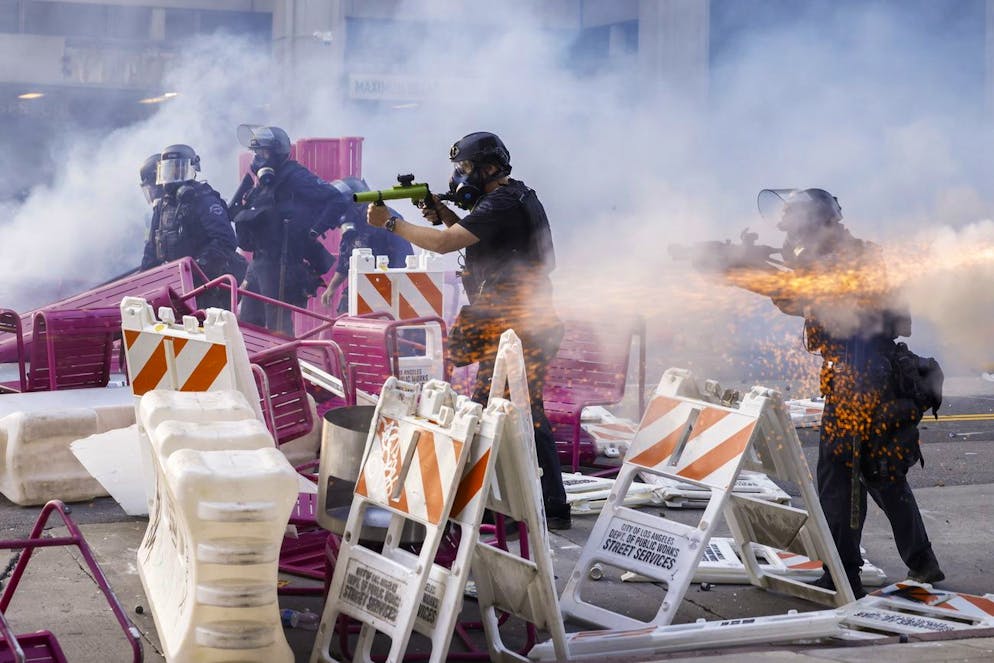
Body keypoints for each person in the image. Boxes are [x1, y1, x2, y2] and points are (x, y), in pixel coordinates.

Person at [737, 188, 943, 598]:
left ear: (817, 224)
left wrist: (763, 269)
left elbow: (808, 294)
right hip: (867, 377)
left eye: (795, 223)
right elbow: (797, 296)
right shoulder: (834, 256)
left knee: (840, 477)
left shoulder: (846, 260)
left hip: (863, 382)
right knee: (881, 473)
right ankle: (922, 562)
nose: (787, 230)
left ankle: (844, 574)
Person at [365, 131, 571, 530]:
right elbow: (480, 237)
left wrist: (392, 222)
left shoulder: (501, 203)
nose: (460, 176)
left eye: (465, 168)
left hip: (517, 326)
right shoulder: (515, 196)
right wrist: (442, 213)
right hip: (521, 322)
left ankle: (510, 506)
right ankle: (549, 504)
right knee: (525, 411)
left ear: (490, 168)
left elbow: (445, 244)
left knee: (488, 410)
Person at [231, 124, 351, 335]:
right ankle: (252, 366)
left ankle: (283, 366)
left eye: (263, 152)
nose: (258, 158)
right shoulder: (264, 182)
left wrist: (316, 230)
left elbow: (336, 199)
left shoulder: (295, 176)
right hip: (259, 262)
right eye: (256, 153)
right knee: (248, 324)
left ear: (277, 152)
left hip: (282, 263)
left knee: (278, 328)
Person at [139, 144, 243, 310]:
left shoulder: (203, 199)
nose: (172, 176)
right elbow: (152, 249)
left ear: (192, 170)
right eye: (168, 170)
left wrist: (196, 268)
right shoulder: (162, 206)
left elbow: (226, 241)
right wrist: (140, 284)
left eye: (178, 170)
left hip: (207, 286)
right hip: (176, 287)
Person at [319, 177, 414, 314]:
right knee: (346, 325)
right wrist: (332, 288)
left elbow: (403, 255)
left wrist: (397, 291)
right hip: (359, 285)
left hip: (388, 286)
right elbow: (346, 258)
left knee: (381, 331)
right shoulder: (353, 224)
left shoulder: (387, 218)